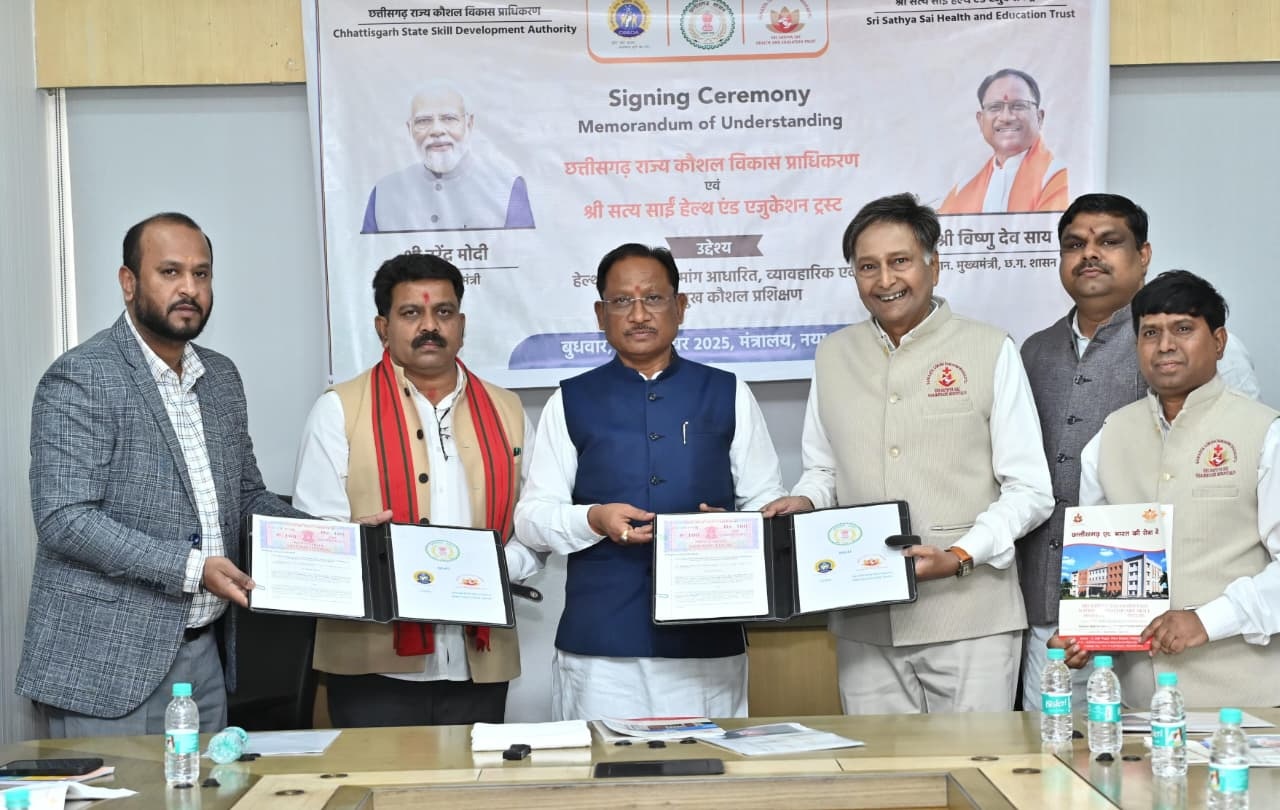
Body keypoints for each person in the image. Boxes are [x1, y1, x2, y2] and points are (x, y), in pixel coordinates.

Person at [17, 212, 306, 736]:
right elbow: (65, 518)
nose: (189, 288)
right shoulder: (82, 375)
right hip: (106, 667)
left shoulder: (220, 377)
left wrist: (333, 537)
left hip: (206, 658)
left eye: (201, 273)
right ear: (129, 283)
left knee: (207, 785)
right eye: (170, 272)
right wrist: (192, 569)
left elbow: (246, 497)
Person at [764, 193, 1053, 714]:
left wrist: (961, 555)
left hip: (971, 619)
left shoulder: (990, 348)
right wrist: (804, 501)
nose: (885, 280)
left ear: (933, 265)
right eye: (867, 266)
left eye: (900, 261)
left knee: (975, 764)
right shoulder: (833, 355)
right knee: (880, 765)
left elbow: (1030, 490)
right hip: (864, 617)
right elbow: (823, 469)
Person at [512, 243, 786, 721]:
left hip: (706, 644)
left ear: (680, 306)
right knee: (603, 769)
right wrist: (594, 519)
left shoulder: (728, 392)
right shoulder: (570, 401)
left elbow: (768, 505)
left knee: (707, 769)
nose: (638, 315)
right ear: (601, 315)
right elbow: (532, 520)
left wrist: (730, 529)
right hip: (601, 647)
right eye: (622, 301)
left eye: (654, 299)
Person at [1017, 193, 1260, 711]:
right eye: (1075, 245)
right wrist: (1088, 623)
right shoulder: (1038, 355)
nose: (1090, 254)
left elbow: (1228, 445)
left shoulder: (1251, 416)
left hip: (1218, 649)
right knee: (1064, 752)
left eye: (1109, 242)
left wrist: (1209, 616)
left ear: (1143, 254)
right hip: (1076, 621)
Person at [293, 253, 541, 727]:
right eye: (411, 313)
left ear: (461, 324)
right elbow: (315, 536)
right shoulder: (339, 409)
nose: (430, 326)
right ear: (382, 327)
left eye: (443, 312)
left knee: (471, 778)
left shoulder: (507, 410)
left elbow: (534, 523)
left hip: (479, 659)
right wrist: (360, 545)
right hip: (371, 662)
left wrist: (494, 566)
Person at [1077, 270, 1280, 708]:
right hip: (1138, 705)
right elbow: (1100, 561)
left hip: (1246, 705)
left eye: (1183, 329)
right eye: (1150, 332)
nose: (1165, 345)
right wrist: (1089, 632)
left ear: (1219, 342)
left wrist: (1207, 620)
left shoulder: (1265, 433)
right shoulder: (1108, 438)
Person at [361, 81, 534, 234]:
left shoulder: (506, 187)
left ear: (469, 123)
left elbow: (522, 256)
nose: (437, 130)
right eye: (423, 121)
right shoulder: (384, 192)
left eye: (449, 118)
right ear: (410, 128)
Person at [938, 68, 1068, 215]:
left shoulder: (1058, 176)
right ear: (980, 120)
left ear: (1039, 118)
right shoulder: (962, 190)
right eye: (995, 107)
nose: (1006, 117)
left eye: (1018, 106)